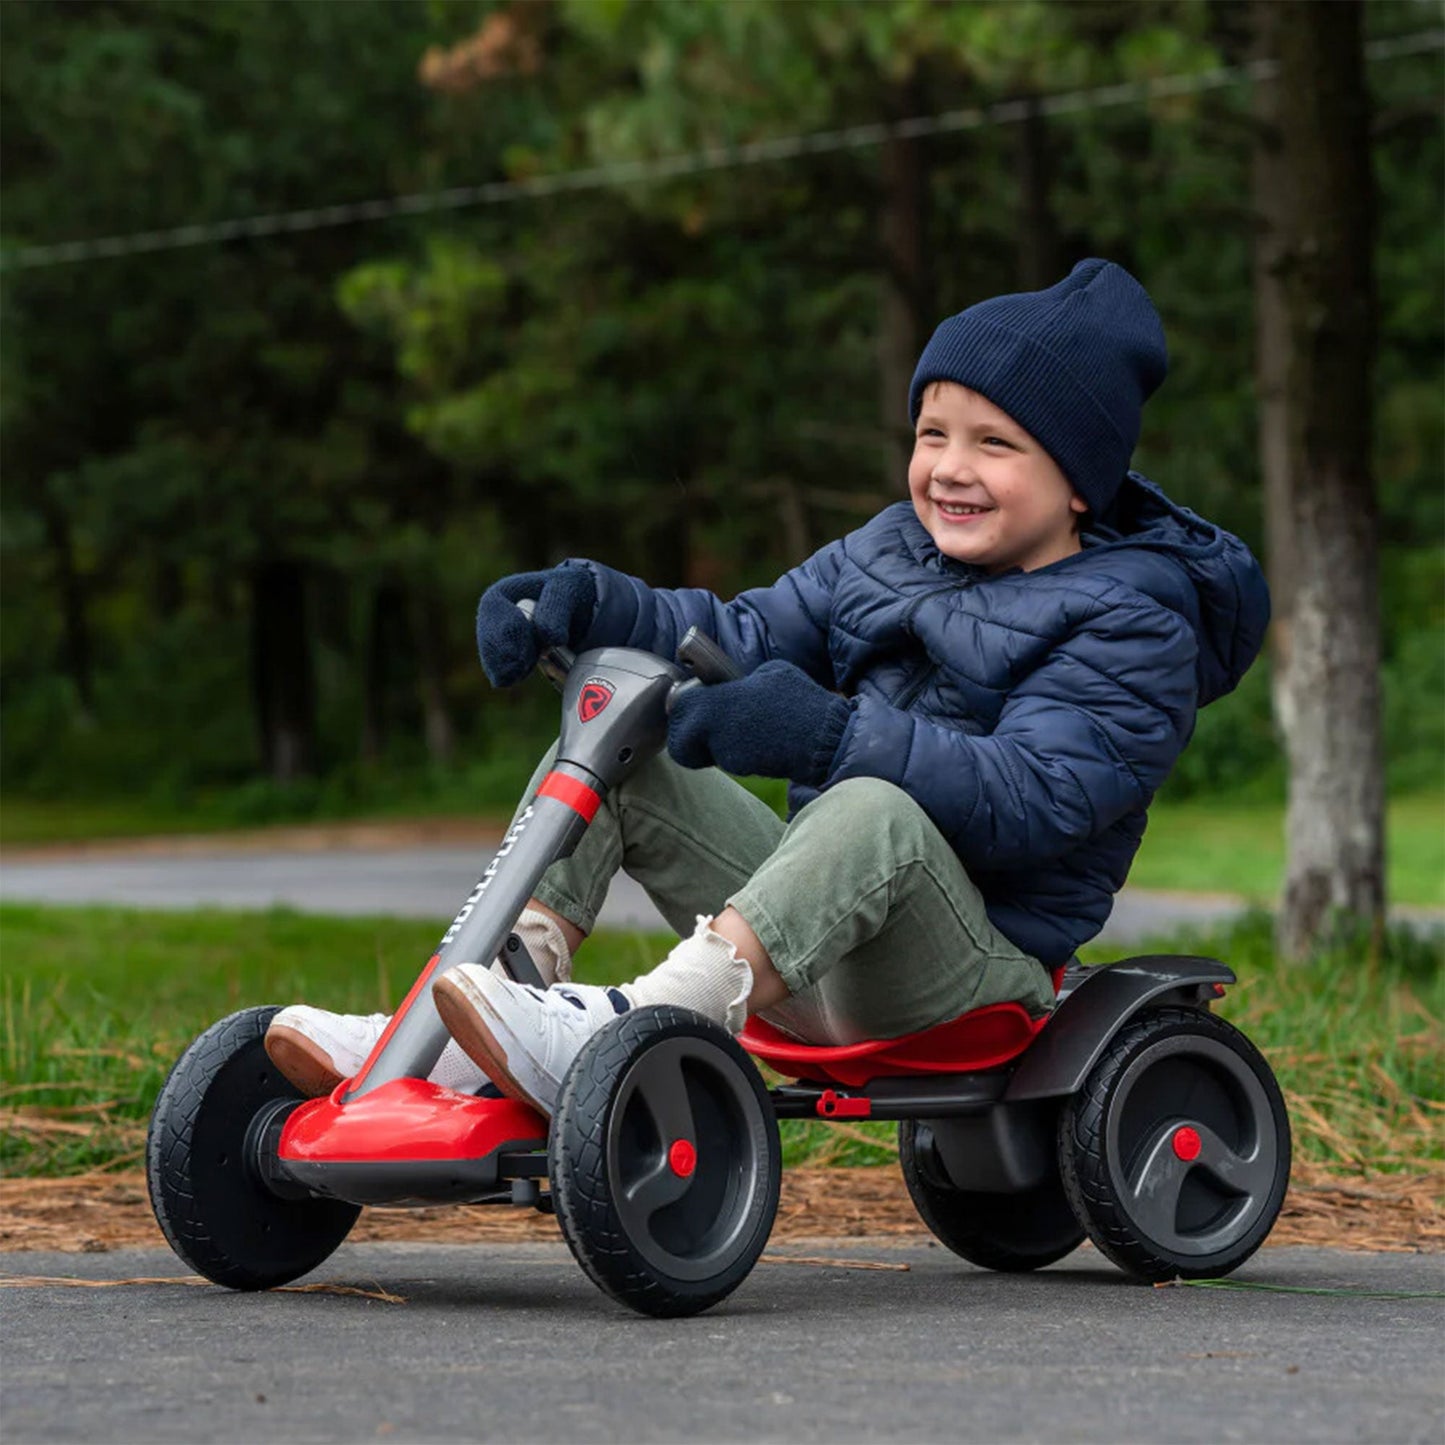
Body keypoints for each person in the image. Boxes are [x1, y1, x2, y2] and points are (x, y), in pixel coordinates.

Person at [265, 258, 1269, 1115]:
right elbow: (739, 634)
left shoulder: (1133, 617)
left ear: (1079, 481)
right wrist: (590, 606)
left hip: (966, 976)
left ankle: (638, 1030)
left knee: (868, 802)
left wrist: (828, 735)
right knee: (624, 727)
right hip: (811, 935)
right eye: (932, 433)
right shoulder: (889, 547)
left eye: (994, 444)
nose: (948, 469)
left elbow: (1037, 796)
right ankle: (461, 1017)